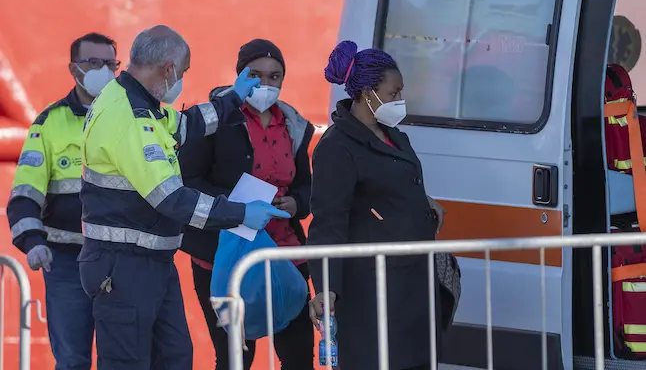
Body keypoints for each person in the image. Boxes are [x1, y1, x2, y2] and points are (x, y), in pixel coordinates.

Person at [77, 26, 290, 370]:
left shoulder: (139, 102)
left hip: (149, 260)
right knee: (128, 362)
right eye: (184, 72)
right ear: (168, 69)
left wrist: (233, 98)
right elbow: (172, 199)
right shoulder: (130, 117)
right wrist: (240, 214)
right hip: (124, 265)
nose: (181, 80)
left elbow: (184, 125)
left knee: (174, 357)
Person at [307, 40, 448, 370]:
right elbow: (328, 220)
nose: (399, 100)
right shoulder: (337, 147)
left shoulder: (394, 135)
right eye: (393, 93)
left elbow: (390, 182)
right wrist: (326, 287)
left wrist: (423, 202)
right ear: (367, 93)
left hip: (412, 280)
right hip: (375, 289)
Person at [179, 39, 315, 370]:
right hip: (224, 256)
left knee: (299, 356)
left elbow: (306, 186)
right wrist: (238, 207)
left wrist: (297, 202)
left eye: (274, 77)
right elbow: (187, 181)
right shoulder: (214, 119)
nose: (265, 84)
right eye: (255, 75)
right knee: (236, 358)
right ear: (239, 75)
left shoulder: (295, 125)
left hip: (284, 254)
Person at [7, 32, 118, 370]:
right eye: (94, 63)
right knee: (72, 360)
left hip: (122, 259)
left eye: (111, 64)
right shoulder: (49, 123)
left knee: (125, 358)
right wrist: (33, 242)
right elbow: (25, 194)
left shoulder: (130, 119)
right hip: (68, 261)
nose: (104, 71)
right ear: (74, 69)